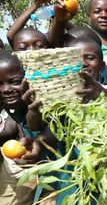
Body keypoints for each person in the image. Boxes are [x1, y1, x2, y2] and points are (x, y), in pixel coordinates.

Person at [0, 50, 56, 205]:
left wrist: (38, 142)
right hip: (35, 173)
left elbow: (54, 128)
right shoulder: (15, 108)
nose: (6, 89)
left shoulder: (47, 102)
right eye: (0, 84)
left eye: (15, 82)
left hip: (57, 176)